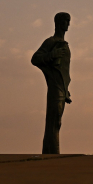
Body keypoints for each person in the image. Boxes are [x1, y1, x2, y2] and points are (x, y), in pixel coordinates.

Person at [31, 12, 72, 154]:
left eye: (69, 21)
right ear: (59, 23)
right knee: (54, 122)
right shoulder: (51, 42)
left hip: (61, 88)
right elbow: (35, 58)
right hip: (55, 88)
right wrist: (52, 55)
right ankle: (51, 153)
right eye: (66, 21)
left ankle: (51, 151)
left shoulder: (64, 45)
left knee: (57, 122)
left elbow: (63, 71)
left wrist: (66, 89)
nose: (68, 24)